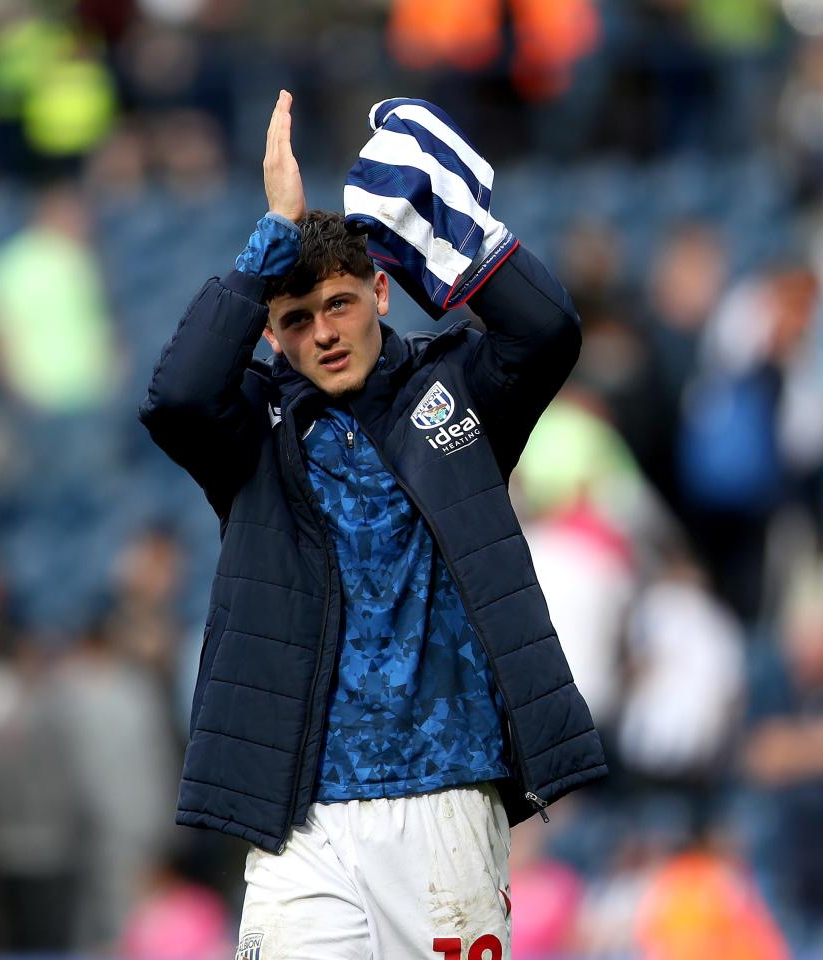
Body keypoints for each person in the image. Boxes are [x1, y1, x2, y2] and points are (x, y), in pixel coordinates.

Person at [139, 91, 605, 958]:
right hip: (301, 816)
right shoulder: (250, 430)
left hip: (447, 794)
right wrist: (273, 232)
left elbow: (546, 330)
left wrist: (450, 242)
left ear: (383, 292)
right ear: (272, 338)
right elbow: (177, 397)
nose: (323, 333)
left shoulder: (459, 388)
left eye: (340, 304)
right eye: (296, 321)